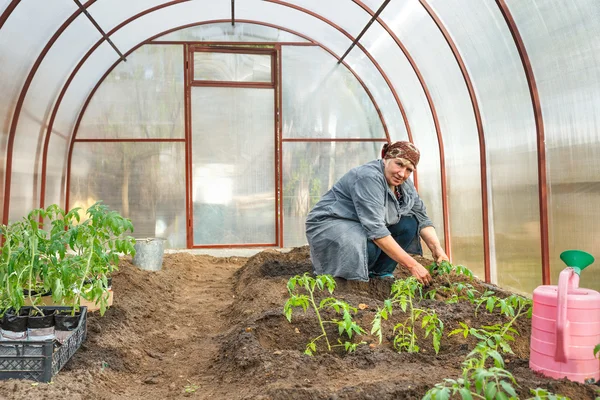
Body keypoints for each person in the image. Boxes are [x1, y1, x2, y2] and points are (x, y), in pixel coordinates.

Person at [305, 141, 449, 285]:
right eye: (399, 164)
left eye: (409, 169)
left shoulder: (404, 185)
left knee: (409, 223)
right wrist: (413, 265)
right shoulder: (368, 177)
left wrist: (438, 250)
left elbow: (421, 218)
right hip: (331, 222)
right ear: (386, 159)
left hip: (359, 223)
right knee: (367, 245)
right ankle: (345, 277)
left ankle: (380, 273)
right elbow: (375, 230)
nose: (402, 173)